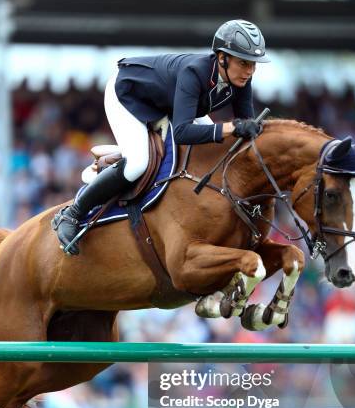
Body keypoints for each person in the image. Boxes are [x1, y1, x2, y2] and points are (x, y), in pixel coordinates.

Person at [52, 19, 270, 255]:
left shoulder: (241, 79)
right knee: (137, 164)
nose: (250, 71)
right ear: (222, 58)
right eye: (244, 63)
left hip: (168, 104)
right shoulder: (194, 72)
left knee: (215, 148)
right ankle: (72, 214)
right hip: (127, 94)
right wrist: (232, 128)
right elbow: (183, 132)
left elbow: (244, 132)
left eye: (253, 65)